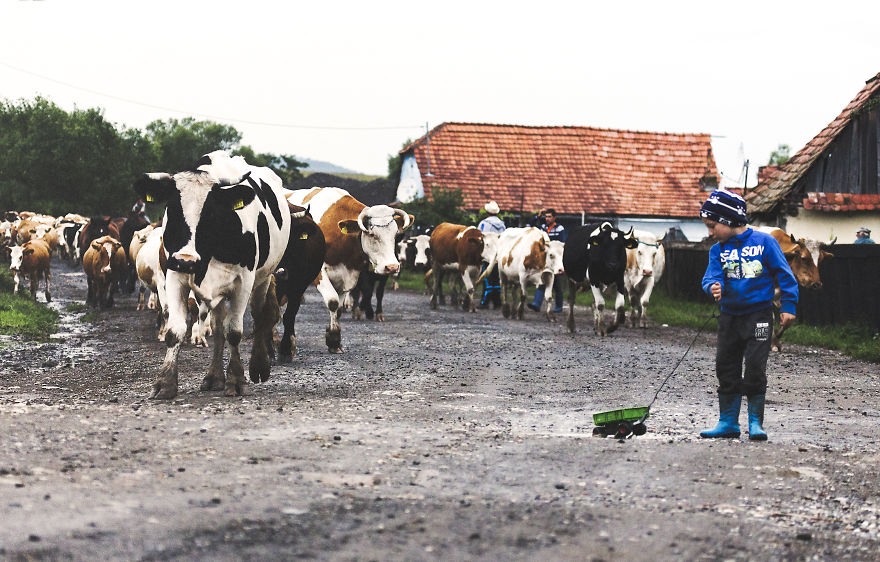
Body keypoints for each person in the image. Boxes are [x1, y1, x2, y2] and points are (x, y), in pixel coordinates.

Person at [699, 188, 798, 441]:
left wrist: (788, 306)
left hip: (759, 316)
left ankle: (756, 422)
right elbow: (710, 276)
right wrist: (713, 286)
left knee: (755, 366)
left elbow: (785, 275)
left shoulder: (765, 243)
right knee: (726, 365)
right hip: (730, 317)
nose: (710, 233)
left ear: (729, 220)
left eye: (712, 226)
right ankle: (728, 421)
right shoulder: (717, 251)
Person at [527, 208, 567, 312]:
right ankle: (536, 304)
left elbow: (561, 244)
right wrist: (538, 216)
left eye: (549, 217)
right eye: (546, 217)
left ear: (554, 218)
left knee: (557, 284)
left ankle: (558, 307)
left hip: (555, 260)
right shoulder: (543, 227)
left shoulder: (559, 228)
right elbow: (530, 225)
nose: (547, 219)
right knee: (542, 279)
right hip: (545, 260)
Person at [477, 201, 505, 309]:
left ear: (487, 212)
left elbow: (480, 238)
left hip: (488, 254)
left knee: (487, 278)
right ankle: (497, 302)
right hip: (499, 253)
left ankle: (485, 301)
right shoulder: (502, 224)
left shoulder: (484, 223)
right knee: (496, 278)